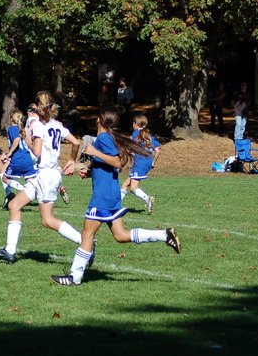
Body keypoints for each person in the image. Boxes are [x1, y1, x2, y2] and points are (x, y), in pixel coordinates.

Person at [50, 108, 181, 286]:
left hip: (103, 196)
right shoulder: (107, 138)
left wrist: (95, 153)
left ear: (99, 119)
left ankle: (75, 277)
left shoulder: (104, 138)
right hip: (110, 194)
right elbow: (111, 164)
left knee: (87, 235)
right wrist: (90, 172)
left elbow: (118, 162)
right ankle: (164, 235)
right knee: (120, 235)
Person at [0, 91, 81, 264]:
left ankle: (85, 243)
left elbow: (37, 152)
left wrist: (28, 139)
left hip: (46, 175)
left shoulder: (38, 125)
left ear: (37, 107)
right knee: (14, 205)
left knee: (47, 220)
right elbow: (76, 142)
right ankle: (10, 251)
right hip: (44, 175)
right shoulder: (56, 125)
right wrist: (72, 160)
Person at [120, 114, 161, 214]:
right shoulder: (149, 136)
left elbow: (131, 146)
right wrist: (153, 162)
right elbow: (157, 150)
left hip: (139, 164)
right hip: (146, 163)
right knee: (125, 184)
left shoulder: (135, 134)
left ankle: (147, 198)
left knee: (133, 188)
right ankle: (115, 205)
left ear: (135, 124)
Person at [0, 109, 37, 210]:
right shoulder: (22, 129)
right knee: (30, 182)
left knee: (5, 178)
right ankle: (44, 192)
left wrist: (10, 153)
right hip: (28, 159)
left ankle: (25, 190)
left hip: (18, 160)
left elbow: (16, 140)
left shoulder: (12, 128)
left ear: (12, 119)